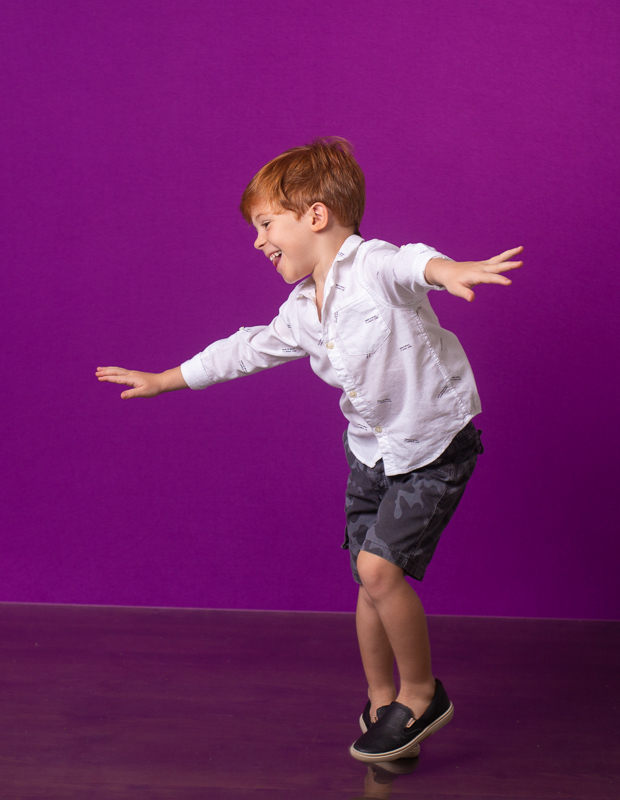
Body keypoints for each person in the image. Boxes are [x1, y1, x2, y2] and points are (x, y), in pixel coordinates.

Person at [96, 137, 522, 763]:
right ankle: (383, 704)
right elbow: (245, 350)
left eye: (267, 224)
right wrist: (165, 379)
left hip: (432, 447)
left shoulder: (370, 265)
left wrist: (447, 270)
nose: (258, 241)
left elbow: (411, 263)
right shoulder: (302, 310)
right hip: (370, 451)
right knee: (367, 581)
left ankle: (421, 694)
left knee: (379, 571)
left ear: (315, 216)